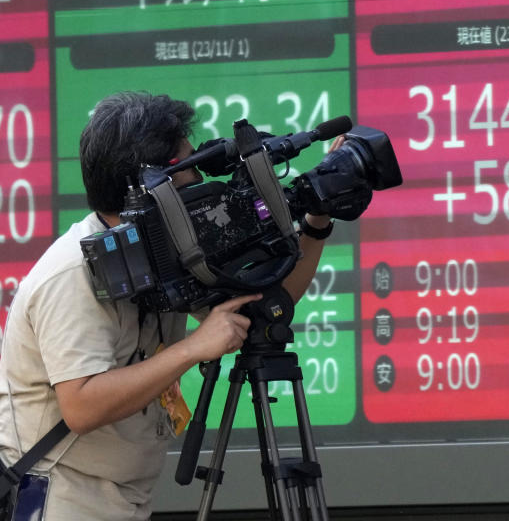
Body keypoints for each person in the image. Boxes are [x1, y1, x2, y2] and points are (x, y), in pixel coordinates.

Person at [0, 92, 337, 520]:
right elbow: (82, 407)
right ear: (149, 186)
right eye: (188, 168)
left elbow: (263, 308)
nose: (197, 178)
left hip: (121, 497)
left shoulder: (171, 245)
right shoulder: (70, 274)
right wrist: (194, 347)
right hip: (58, 496)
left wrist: (316, 222)